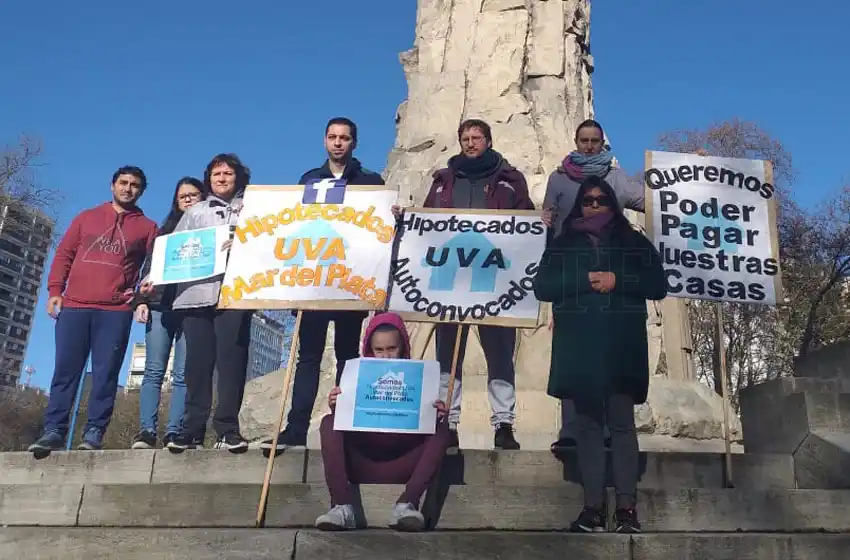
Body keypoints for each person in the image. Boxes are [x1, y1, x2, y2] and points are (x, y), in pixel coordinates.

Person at [532, 176, 666, 534]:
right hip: (579, 347)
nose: (593, 205)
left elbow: (658, 285)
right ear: (579, 205)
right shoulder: (564, 243)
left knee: (621, 424)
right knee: (587, 428)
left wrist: (617, 280)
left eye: (600, 200)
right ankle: (592, 506)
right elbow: (542, 286)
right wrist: (584, 280)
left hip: (621, 345)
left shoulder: (632, 241)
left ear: (612, 203)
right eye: (587, 200)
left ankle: (626, 507)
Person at [393, 118, 533, 452]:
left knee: (499, 356)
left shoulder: (510, 180)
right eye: (465, 138)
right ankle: (448, 423)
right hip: (450, 281)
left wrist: (539, 221)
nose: (471, 143)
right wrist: (406, 219)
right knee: (448, 357)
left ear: (488, 140)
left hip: (494, 280)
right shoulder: (444, 181)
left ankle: (503, 423)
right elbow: (427, 223)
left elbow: (525, 219)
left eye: (477, 138)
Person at [261, 117, 384, 453]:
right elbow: (294, 226)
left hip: (349, 284)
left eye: (344, 138)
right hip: (313, 284)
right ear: (324, 141)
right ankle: (296, 428)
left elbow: (377, 230)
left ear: (354, 143)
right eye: (332, 137)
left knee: (348, 357)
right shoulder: (309, 180)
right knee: (308, 358)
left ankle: (346, 425)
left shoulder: (371, 182)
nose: (338, 143)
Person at [28, 166, 158, 456]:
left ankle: (94, 432)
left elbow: (153, 268)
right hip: (74, 305)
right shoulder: (86, 218)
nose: (128, 188)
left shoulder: (148, 227)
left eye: (135, 185)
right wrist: (54, 292)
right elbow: (64, 254)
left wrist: (141, 299)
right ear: (112, 185)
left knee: (106, 374)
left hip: (116, 311)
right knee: (65, 371)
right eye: (123, 183)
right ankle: (54, 431)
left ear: (142, 191)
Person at [541, 119, 645, 452]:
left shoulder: (616, 178)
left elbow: (649, 199)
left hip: (609, 273)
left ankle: (607, 428)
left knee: (606, 351)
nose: (588, 145)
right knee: (572, 354)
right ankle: (571, 429)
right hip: (571, 274)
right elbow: (549, 224)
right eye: (583, 140)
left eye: (594, 141)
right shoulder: (558, 179)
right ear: (575, 141)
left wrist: (686, 170)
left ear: (603, 143)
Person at [315, 312, 451, 532]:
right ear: (369, 350)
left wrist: (433, 415)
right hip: (362, 462)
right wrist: (339, 407)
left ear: (403, 347)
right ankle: (342, 506)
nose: (386, 357)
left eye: (391, 349)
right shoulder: (355, 378)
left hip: (405, 463)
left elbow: (431, 426)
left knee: (443, 428)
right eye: (379, 350)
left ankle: (407, 504)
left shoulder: (420, 381)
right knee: (329, 422)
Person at [163, 154, 254, 454]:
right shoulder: (196, 212)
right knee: (197, 366)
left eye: (228, 173)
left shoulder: (254, 209)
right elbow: (175, 251)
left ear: (238, 177)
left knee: (232, 364)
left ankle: (228, 429)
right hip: (196, 296)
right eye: (217, 174)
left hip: (236, 294)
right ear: (209, 179)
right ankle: (191, 430)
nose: (222, 178)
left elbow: (270, 244)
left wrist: (243, 242)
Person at [130, 177, 208, 449]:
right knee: (153, 371)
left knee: (183, 374)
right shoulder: (165, 231)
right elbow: (149, 268)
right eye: (182, 195)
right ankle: (146, 431)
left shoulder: (212, 229)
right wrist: (141, 299)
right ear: (176, 200)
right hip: (160, 305)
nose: (188, 199)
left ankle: (175, 430)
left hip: (192, 305)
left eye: (193, 195)